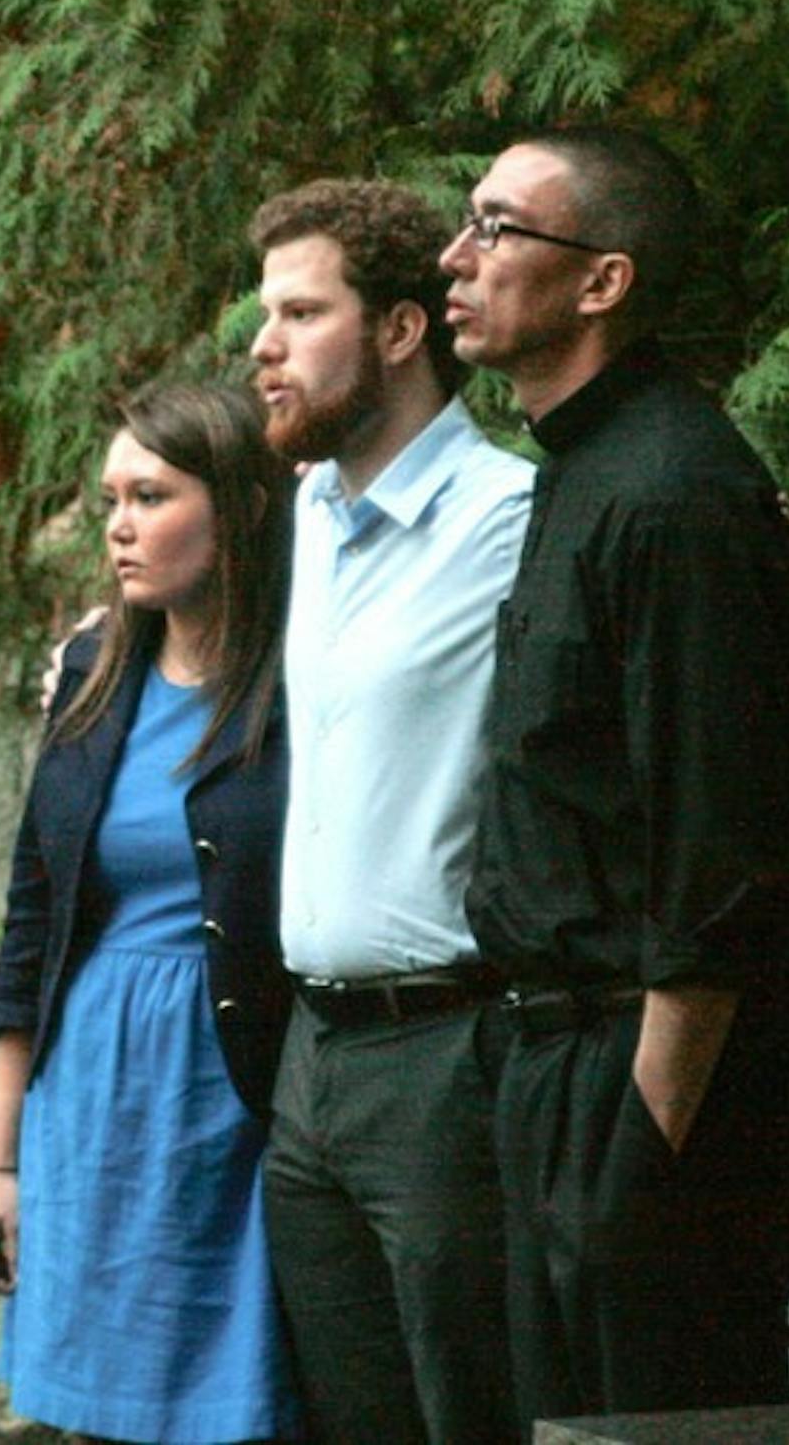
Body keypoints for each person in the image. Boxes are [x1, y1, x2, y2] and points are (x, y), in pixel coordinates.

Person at [442, 127, 789, 1421]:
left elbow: (719, 847)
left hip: (653, 1074)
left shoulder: (674, 495)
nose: (458, 256)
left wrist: (643, 1142)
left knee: (665, 1415)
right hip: (560, 1054)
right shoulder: (583, 471)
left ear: (602, 282)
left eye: (500, 227)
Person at [0, 379, 302, 1444]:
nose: (118, 526)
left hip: (237, 1086)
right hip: (93, 1094)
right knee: (99, 1418)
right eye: (111, 497)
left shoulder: (307, 676)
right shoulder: (90, 669)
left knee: (247, 1404)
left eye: (150, 495)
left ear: (239, 503)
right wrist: (0, 1165)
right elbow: (34, 920)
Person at [246, 179, 533, 1445]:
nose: (263, 346)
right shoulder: (307, 515)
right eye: (266, 314)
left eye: (301, 312)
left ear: (402, 331)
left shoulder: (512, 520)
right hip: (308, 1058)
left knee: (472, 1418)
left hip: (448, 1057)